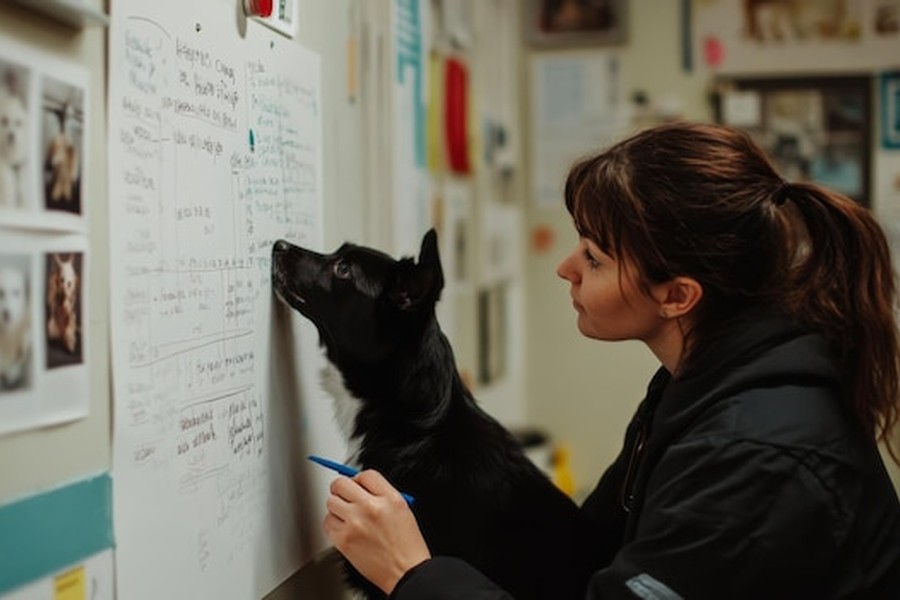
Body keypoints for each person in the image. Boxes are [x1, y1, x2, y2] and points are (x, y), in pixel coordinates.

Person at [320, 121, 900, 599]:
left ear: (677, 295)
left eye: (594, 258)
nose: (566, 267)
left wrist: (412, 574)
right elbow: (586, 557)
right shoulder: (696, 387)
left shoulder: (756, 457)